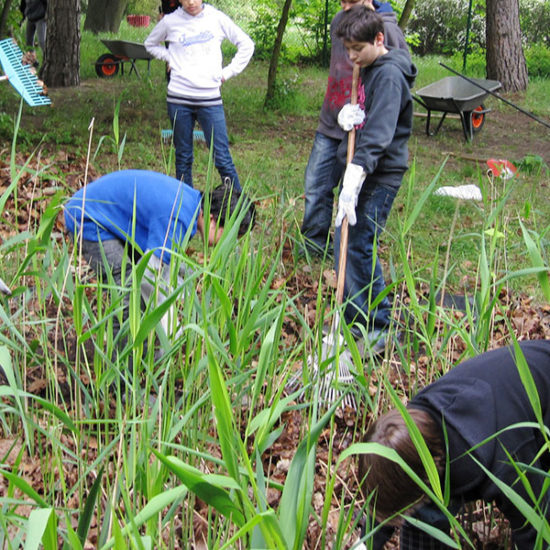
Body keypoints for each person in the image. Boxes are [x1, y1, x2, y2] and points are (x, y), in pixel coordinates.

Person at [359, 340, 550, 549]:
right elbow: (390, 484)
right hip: (506, 391)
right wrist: (365, 544)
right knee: (421, 512)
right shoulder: (411, 430)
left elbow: (535, 529)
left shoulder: (505, 461)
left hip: (539, 400)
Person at [63, 170, 255, 357]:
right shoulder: (177, 218)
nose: (228, 244)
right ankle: (121, 374)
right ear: (213, 220)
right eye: (228, 236)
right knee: (128, 299)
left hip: (112, 220)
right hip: (88, 218)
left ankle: (139, 357)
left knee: (145, 289)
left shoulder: (190, 203)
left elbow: (166, 267)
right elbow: (148, 281)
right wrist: (168, 337)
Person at [331, 6, 416, 350]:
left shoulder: (390, 75)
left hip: (379, 173)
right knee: (346, 238)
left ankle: (378, 325)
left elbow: (381, 132)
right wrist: (349, 117)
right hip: (365, 169)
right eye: (347, 50)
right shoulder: (370, 67)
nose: (352, 57)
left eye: (357, 49)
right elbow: (371, 115)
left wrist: (354, 175)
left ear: (379, 39)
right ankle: (356, 317)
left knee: (358, 240)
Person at [299, 0, 409, 259]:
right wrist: (340, 113)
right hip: (333, 120)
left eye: (351, 0)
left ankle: (353, 255)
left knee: (355, 198)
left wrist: (364, 113)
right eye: (341, 1)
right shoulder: (341, 21)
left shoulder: (385, 29)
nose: (345, 6)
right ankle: (315, 248)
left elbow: (393, 88)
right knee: (316, 185)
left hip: (365, 132)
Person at [145, 0, 254, 191]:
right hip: (179, 99)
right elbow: (150, 44)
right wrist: (170, 57)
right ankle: (186, 209)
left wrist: (226, 73)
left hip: (210, 99)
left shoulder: (217, 18)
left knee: (222, 157)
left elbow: (246, 44)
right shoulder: (170, 21)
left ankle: (238, 210)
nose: (191, 2)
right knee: (183, 157)